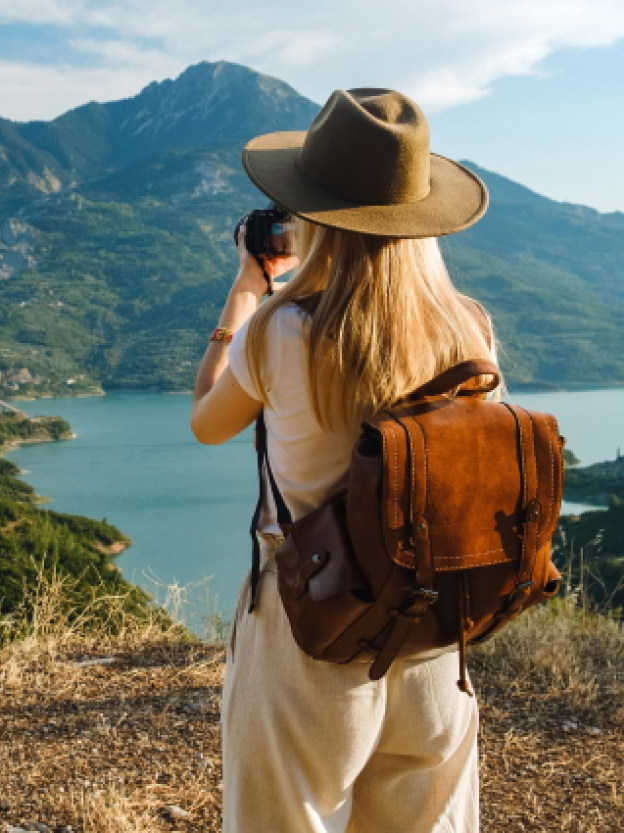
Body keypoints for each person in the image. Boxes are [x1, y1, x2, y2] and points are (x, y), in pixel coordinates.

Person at [190, 89, 495, 833]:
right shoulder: (471, 332)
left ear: (313, 213)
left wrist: (242, 297)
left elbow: (207, 421)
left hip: (310, 639)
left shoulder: (280, 330)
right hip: (431, 640)